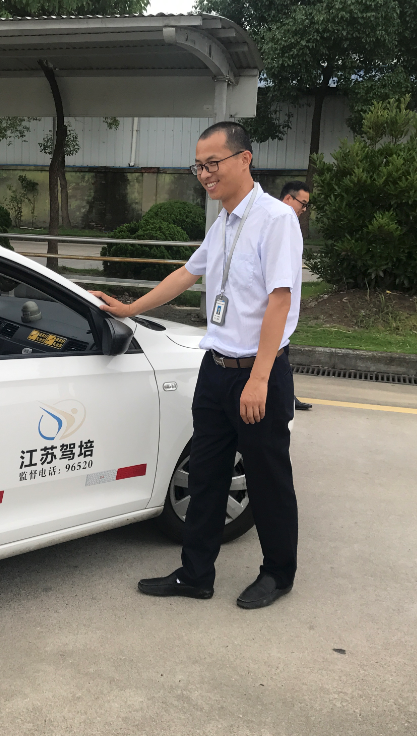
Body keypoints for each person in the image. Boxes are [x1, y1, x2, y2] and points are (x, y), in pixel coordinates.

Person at [90, 121, 302, 610]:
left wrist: (260, 379)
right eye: (199, 166)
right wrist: (130, 309)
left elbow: (280, 300)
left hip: (257, 372)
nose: (205, 174)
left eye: (213, 163)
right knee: (206, 474)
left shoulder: (275, 219)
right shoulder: (223, 221)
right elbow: (187, 273)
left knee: (267, 479)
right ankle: (195, 573)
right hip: (216, 367)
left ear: (244, 159)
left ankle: (277, 573)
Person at [278, 181, 313, 412]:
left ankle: (287, 396)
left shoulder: (289, 223)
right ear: (288, 199)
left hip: (285, 309)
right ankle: (286, 399)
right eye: (303, 203)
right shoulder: (279, 222)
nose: (305, 209)